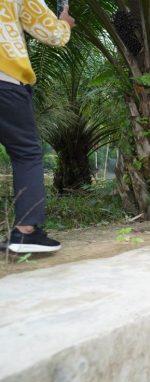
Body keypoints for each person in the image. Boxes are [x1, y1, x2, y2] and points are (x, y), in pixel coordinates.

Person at [2, 1, 75, 253]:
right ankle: (26, 233)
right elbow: (50, 32)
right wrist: (64, 23)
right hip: (4, 79)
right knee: (27, 153)